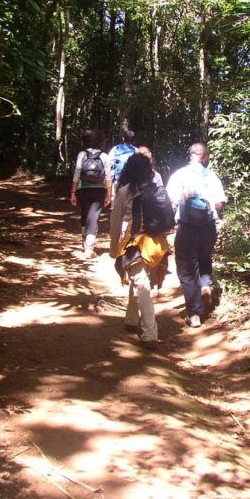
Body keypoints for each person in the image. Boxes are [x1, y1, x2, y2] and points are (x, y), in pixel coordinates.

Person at [109, 153, 172, 349]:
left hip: (134, 243)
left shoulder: (126, 191)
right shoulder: (157, 189)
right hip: (157, 243)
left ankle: (150, 333)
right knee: (140, 280)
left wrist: (113, 248)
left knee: (141, 284)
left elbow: (115, 221)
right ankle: (130, 319)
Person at [166, 143, 227, 328]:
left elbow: (171, 202)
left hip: (186, 228)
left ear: (190, 155)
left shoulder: (179, 175)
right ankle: (206, 284)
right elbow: (220, 203)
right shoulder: (211, 176)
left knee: (186, 268)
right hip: (208, 228)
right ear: (204, 156)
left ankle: (194, 314)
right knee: (204, 258)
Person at [70, 129, 112, 259]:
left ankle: (85, 242)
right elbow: (108, 176)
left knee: (85, 214)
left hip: (83, 189)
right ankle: (89, 247)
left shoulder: (82, 154)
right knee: (93, 217)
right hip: (99, 191)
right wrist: (109, 194)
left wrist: (73, 192)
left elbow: (77, 173)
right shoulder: (104, 156)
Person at [110, 129, 137, 199]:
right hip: (131, 182)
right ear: (134, 140)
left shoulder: (116, 149)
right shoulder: (136, 151)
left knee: (116, 200)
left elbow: (108, 163)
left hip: (117, 180)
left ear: (123, 138)